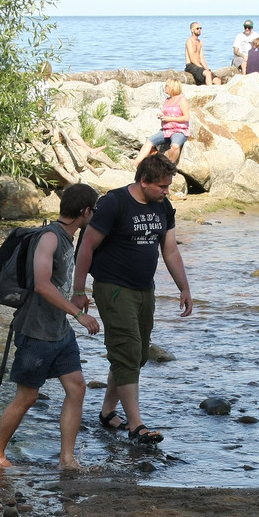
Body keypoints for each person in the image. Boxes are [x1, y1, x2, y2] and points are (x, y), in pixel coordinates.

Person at [72, 155, 193, 445]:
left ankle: (107, 412)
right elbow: (87, 246)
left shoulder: (163, 206)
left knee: (136, 355)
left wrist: (184, 288)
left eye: (168, 186)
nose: (167, 191)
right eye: (162, 186)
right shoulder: (115, 203)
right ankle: (135, 425)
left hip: (144, 289)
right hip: (113, 287)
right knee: (126, 350)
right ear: (144, 181)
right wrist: (79, 290)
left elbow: (171, 250)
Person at [0, 183, 102, 470]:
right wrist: (77, 314)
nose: (95, 215)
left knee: (76, 387)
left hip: (59, 331)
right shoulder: (50, 238)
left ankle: (67, 459)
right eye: (94, 210)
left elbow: (58, 283)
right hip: (36, 331)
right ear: (85, 211)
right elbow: (41, 284)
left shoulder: (68, 238)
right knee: (28, 396)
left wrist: (75, 296)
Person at [133, 79, 189, 168]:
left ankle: (169, 166)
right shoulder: (167, 100)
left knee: (175, 146)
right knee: (150, 141)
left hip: (179, 130)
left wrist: (169, 119)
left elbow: (186, 117)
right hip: (166, 130)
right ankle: (136, 163)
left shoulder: (181, 100)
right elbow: (167, 112)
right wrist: (162, 115)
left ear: (173, 87)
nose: (165, 88)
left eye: (167, 86)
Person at [183, 22, 221, 86]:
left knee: (217, 80)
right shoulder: (189, 41)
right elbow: (192, 59)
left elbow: (202, 58)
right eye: (197, 28)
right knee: (208, 74)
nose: (199, 30)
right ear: (192, 30)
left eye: (200, 28)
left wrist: (206, 68)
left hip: (199, 66)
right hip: (191, 65)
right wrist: (202, 68)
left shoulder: (200, 42)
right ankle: (210, 91)